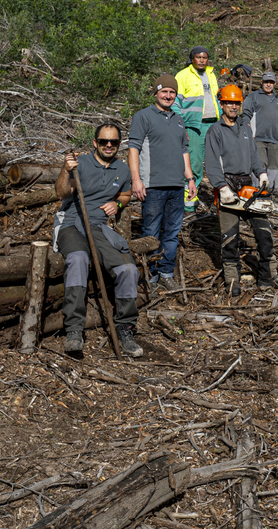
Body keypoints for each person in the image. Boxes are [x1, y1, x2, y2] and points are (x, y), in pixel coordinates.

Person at [54, 123, 142, 357]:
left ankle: (124, 327)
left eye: (113, 142)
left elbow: (126, 193)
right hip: (72, 222)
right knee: (78, 258)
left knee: (128, 269)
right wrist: (65, 169)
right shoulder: (79, 163)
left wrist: (118, 203)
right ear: (95, 143)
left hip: (99, 227)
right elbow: (61, 193)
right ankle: (74, 329)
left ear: (119, 144)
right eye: (104, 141)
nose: (109, 145)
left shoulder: (122, 170)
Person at [205, 84, 278, 296]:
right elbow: (212, 163)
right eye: (229, 103)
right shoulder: (215, 131)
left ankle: (267, 276)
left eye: (236, 103)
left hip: (247, 185)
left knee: (264, 232)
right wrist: (221, 187)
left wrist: (261, 173)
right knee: (230, 238)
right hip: (227, 187)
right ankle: (233, 281)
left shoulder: (245, 128)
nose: (233, 107)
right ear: (222, 104)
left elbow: (254, 155)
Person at [128, 75, 197, 291]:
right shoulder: (143, 116)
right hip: (153, 185)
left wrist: (190, 178)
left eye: (172, 92)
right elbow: (133, 149)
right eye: (164, 91)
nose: (168, 95)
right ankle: (149, 276)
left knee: (172, 232)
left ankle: (166, 273)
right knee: (150, 231)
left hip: (176, 185)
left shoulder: (178, 119)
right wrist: (136, 180)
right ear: (156, 93)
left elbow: (184, 150)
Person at [174, 46, 221, 211]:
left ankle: (220, 200)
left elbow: (216, 100)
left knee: (217, 163)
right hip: (194, 126)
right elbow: (175, 104)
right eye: (198, 57)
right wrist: (181, 126)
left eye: (205, 57)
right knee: (194, 164)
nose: (202, 60)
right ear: (192, 58)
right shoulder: (183, 76)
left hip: (213, 124)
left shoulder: (210, 74)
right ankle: (189, 204)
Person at [241, 71, 278, 187]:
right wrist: (248, 132)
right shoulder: (253, 96)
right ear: (261, 82)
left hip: (274, 139)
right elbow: (246, 115)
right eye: (266, 82)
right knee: (259, 164)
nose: (268, 84)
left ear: (275, 83)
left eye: (271, 82)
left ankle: (272, 192)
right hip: (258, 138)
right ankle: (257, 191)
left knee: (274, 167)